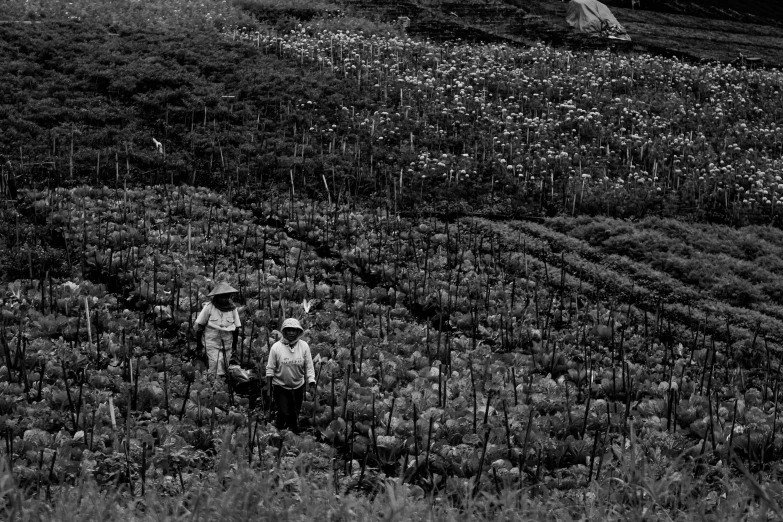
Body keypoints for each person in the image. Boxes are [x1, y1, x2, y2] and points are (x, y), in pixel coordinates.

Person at [266, 318, 315, 433]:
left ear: (298, 332)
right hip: (280, 386)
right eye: (289, 330)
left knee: (294, 413)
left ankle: (292, 436)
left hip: (298, 386)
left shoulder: (304, 346)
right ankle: (278, 432)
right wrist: (269, 390)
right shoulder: (276, 347)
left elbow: (309, 366)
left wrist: (311, 382)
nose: (291, 333)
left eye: (294, 330)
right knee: (283, 412)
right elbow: (270, 369)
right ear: (284, 331)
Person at [194, 282, 241, 377]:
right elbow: (200, 327)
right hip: (212, 342)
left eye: (226, 297)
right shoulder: (209, 307)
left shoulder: (233, 309)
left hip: (227, 342)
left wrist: (234, 346)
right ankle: (213, 384)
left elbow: (236, 328)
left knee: (225, 365)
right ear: (216, 297)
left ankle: (223, 385)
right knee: (214, 364)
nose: (224, 299)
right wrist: (199, 346)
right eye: (222, 297)